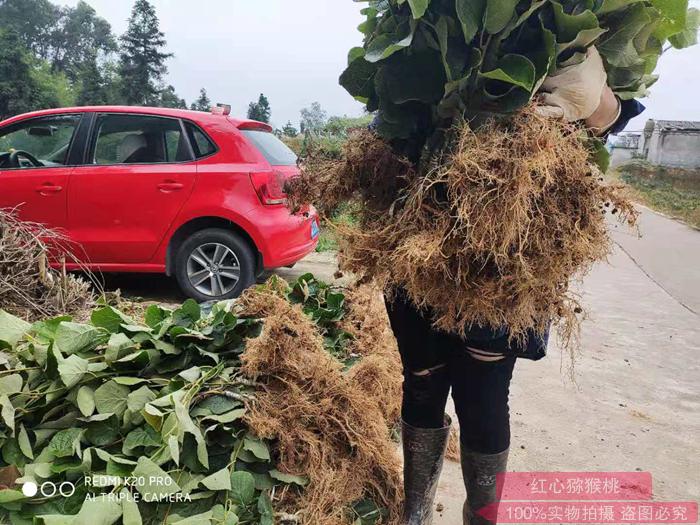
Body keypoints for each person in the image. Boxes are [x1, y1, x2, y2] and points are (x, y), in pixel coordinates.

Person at [387, 47, 644, 525]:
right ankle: (415, 514)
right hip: (419, 241)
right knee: (422, 382)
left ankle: (481, 519)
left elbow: (611, 116)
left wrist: (597, 100)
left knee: (482, 397)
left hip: (508, 257)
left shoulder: (581, 31)